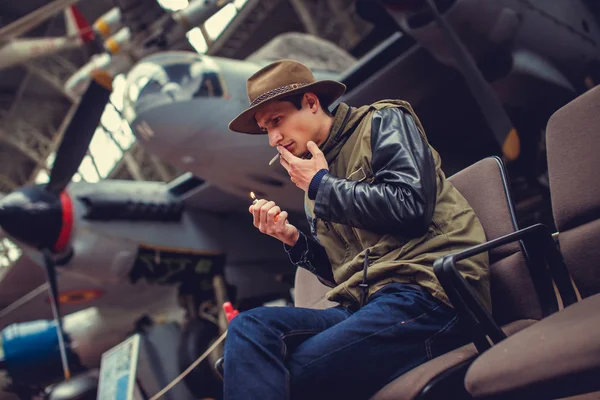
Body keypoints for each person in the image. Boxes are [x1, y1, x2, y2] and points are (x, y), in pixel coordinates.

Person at [224, 59, 490, 400]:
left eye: (277, 121)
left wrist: (322, 185)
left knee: (290, 374)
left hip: (432, 293)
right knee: (248, 328)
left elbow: (412, 208)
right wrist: (293, 240)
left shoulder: (383, 121)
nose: (273, 138)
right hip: (367, 305)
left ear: (311, 102)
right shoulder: (315, 176)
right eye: (266, 130)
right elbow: (343, 271)